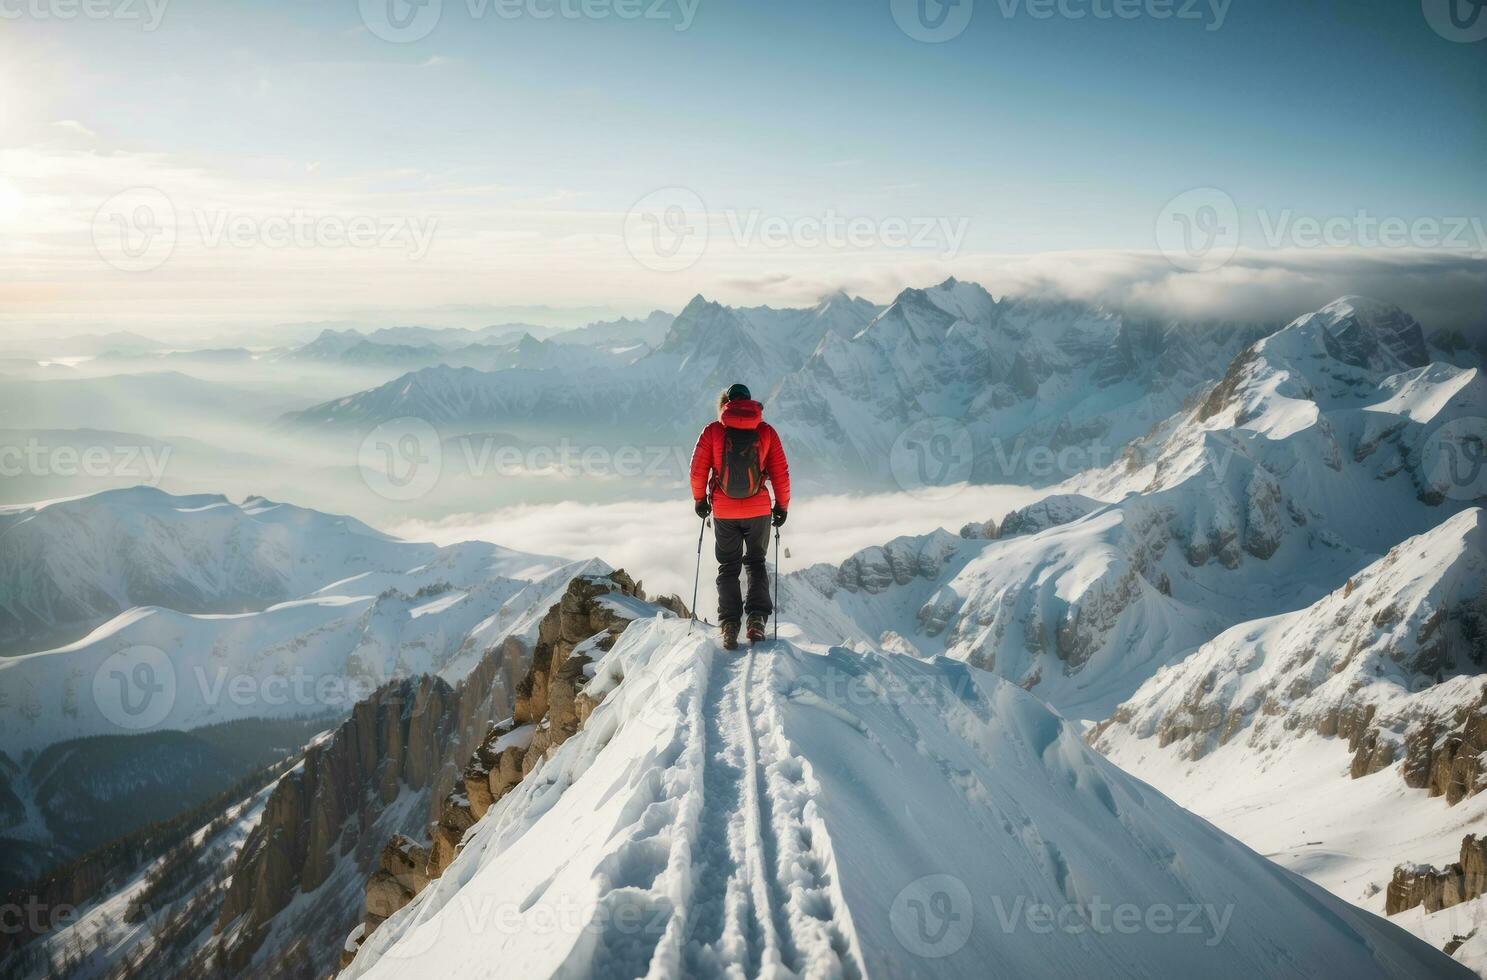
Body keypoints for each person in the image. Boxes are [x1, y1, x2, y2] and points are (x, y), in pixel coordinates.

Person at [689, 383, 790, 649]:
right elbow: (780, 473)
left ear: (726, 403)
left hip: (724, 510)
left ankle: (730, 624)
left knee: (728, 567)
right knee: (756, 563)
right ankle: (756, 620)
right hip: (759, 510)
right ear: (751, 403)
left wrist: (700, 500)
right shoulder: (766, 432)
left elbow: (697, 471)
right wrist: (782, 507)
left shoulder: (713, 431)